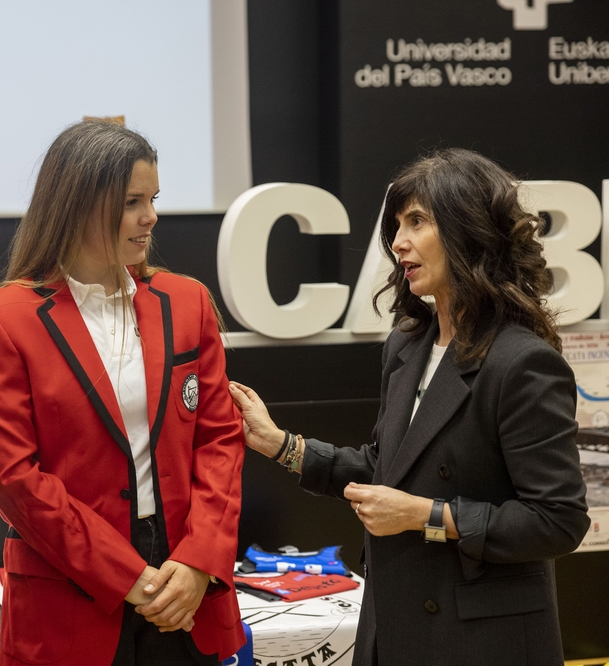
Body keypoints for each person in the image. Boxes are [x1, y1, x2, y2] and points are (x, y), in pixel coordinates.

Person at [229, 147, 590, 666]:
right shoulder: (407, 345)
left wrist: (427, 516)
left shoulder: (522, 363)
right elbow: (388, 470)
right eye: (397, 225)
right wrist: (283, 446)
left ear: (468, 230)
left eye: (416, 221)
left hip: (481, 645)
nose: (398, 242)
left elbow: (558, 520)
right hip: (393, 628)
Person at [0, 120, 246, 666]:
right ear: (76, 204)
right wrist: (130, 577)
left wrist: (199, 561)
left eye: (153, 199)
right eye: (132, 202)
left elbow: (219, 440)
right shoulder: (0, 321)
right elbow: (14, 480)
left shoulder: (187, 302)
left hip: (185, 583)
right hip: (69, 593)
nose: (151, 217)